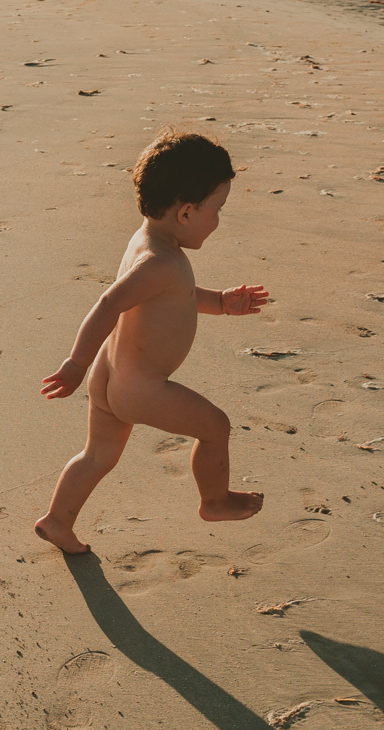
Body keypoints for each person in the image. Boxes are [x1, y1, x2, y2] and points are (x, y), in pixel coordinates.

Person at [35, 129, 267, 555]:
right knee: (216, 427)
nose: (219, 220)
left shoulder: (147, 242)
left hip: (111, 375)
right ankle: (214, 502)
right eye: (218, 209)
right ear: (186, 212)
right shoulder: (163, 262)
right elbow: (108, 304)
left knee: (97, 456)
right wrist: (74, 362)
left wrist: (221, 303)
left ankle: (57, 521)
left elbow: (173, 300)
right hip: (141, 387)